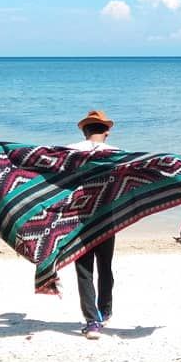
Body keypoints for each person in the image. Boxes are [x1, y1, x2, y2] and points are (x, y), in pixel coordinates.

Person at [66, 110, 119, 339]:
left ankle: (92, 322)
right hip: (107, 218)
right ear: (106, 132)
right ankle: (104, 312)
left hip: (80, 219)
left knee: (84, 270)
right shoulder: (117, 154)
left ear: (84, 131)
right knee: (105, 266)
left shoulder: (69, 151)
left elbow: (48, 172)